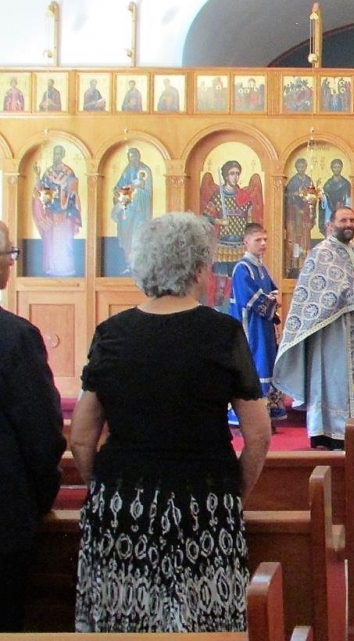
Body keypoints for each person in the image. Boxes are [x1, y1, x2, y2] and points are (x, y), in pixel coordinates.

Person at [70, 212, 271, 632]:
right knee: (205, 624)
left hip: (123, 503)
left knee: (124, 623)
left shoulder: (111, 333)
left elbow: (82, 440)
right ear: (199, 268)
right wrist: (232, 495)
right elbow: (258, 436)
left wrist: (106, 488)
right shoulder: (221, 333)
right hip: (204, 501)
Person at [272, 206, 354, 450]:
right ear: (331, 225)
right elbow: (313, 294)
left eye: (352, 220)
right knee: (335, 383)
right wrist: (345, 296)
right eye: (343, 220)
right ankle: (332, 433)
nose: (349, 224)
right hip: (335, 334)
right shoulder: (321, 254)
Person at [0, 220, 66, 632]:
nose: (12, 262)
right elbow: (42, 436)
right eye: (9, 253)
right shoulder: (14, 338)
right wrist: (36, 501)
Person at [230, 223, 285, 423]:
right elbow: (250, 298)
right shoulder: (242, 268)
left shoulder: (261, 267)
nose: (263, 244)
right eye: (258, 240)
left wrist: (275, 297)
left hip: (263, 325)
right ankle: (252, 415)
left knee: (266, 360)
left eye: (265, 240)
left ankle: (267, 411)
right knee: (255, 362)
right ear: (246, 242)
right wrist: (272, 301)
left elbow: (273, 289)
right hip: (250, 327)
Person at [200, 160, 262, 311]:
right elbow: (206, 216)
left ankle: (236, 312)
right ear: (226, 176)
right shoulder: (218, 196)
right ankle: (220, 313)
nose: (235, 177)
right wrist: (219, 221)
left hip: (240, 245)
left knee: (238, 282)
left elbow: (249, 220)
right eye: (232, 174)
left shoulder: (244, 197)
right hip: (223, 244)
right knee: (221, 283)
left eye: (237, 174)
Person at [32, 143, 82, 276]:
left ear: (63, 155)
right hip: (51, 212)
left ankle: (65, 268)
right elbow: (41, 190)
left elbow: (73, 191)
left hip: (65, 213)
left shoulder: (68, 172)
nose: (56, 156)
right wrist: (37, 176)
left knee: (65, 240)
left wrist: (66, 195)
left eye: (59, 153)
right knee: (51, 241)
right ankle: (53, 267)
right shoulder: (48, 173)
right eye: (55, 153)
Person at [110, 146, 153, 272]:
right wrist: (117, 192)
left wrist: (135, 192)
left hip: (139, 211)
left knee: (138, 236)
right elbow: (119, 186)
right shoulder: (127, 170)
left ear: (139, 157)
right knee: (125, 237)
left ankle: (138, 266)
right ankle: (128, 264)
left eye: (134, 157)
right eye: (130, 158)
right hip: (126, 211)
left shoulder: (145, 170)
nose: (132, 160)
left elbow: (147, 192)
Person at [284, 157, 317, 276]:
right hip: (293, 214)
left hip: (305, 214)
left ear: (306, 167)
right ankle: (291, 265)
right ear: (296, 168)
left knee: (305, 240)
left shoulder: (309, 180)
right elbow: (286, 195)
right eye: (299, 166)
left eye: (303, 166)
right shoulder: (293, 181)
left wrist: (310, 212)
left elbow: (313, 198)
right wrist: (295, 195)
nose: (301, 168)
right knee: (292, 239)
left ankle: (304, 265)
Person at [320, 158, 352, 233]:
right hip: (330, 211)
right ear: (331, 168)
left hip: (342, 210)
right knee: (331, 229)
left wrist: (342, 205)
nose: (336, 169)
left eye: (338, 167)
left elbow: (348, 198)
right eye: (334, 167)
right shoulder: (328, 184)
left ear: (341, 168)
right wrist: (323, 199)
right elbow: (324, 198)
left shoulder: (346, 183)